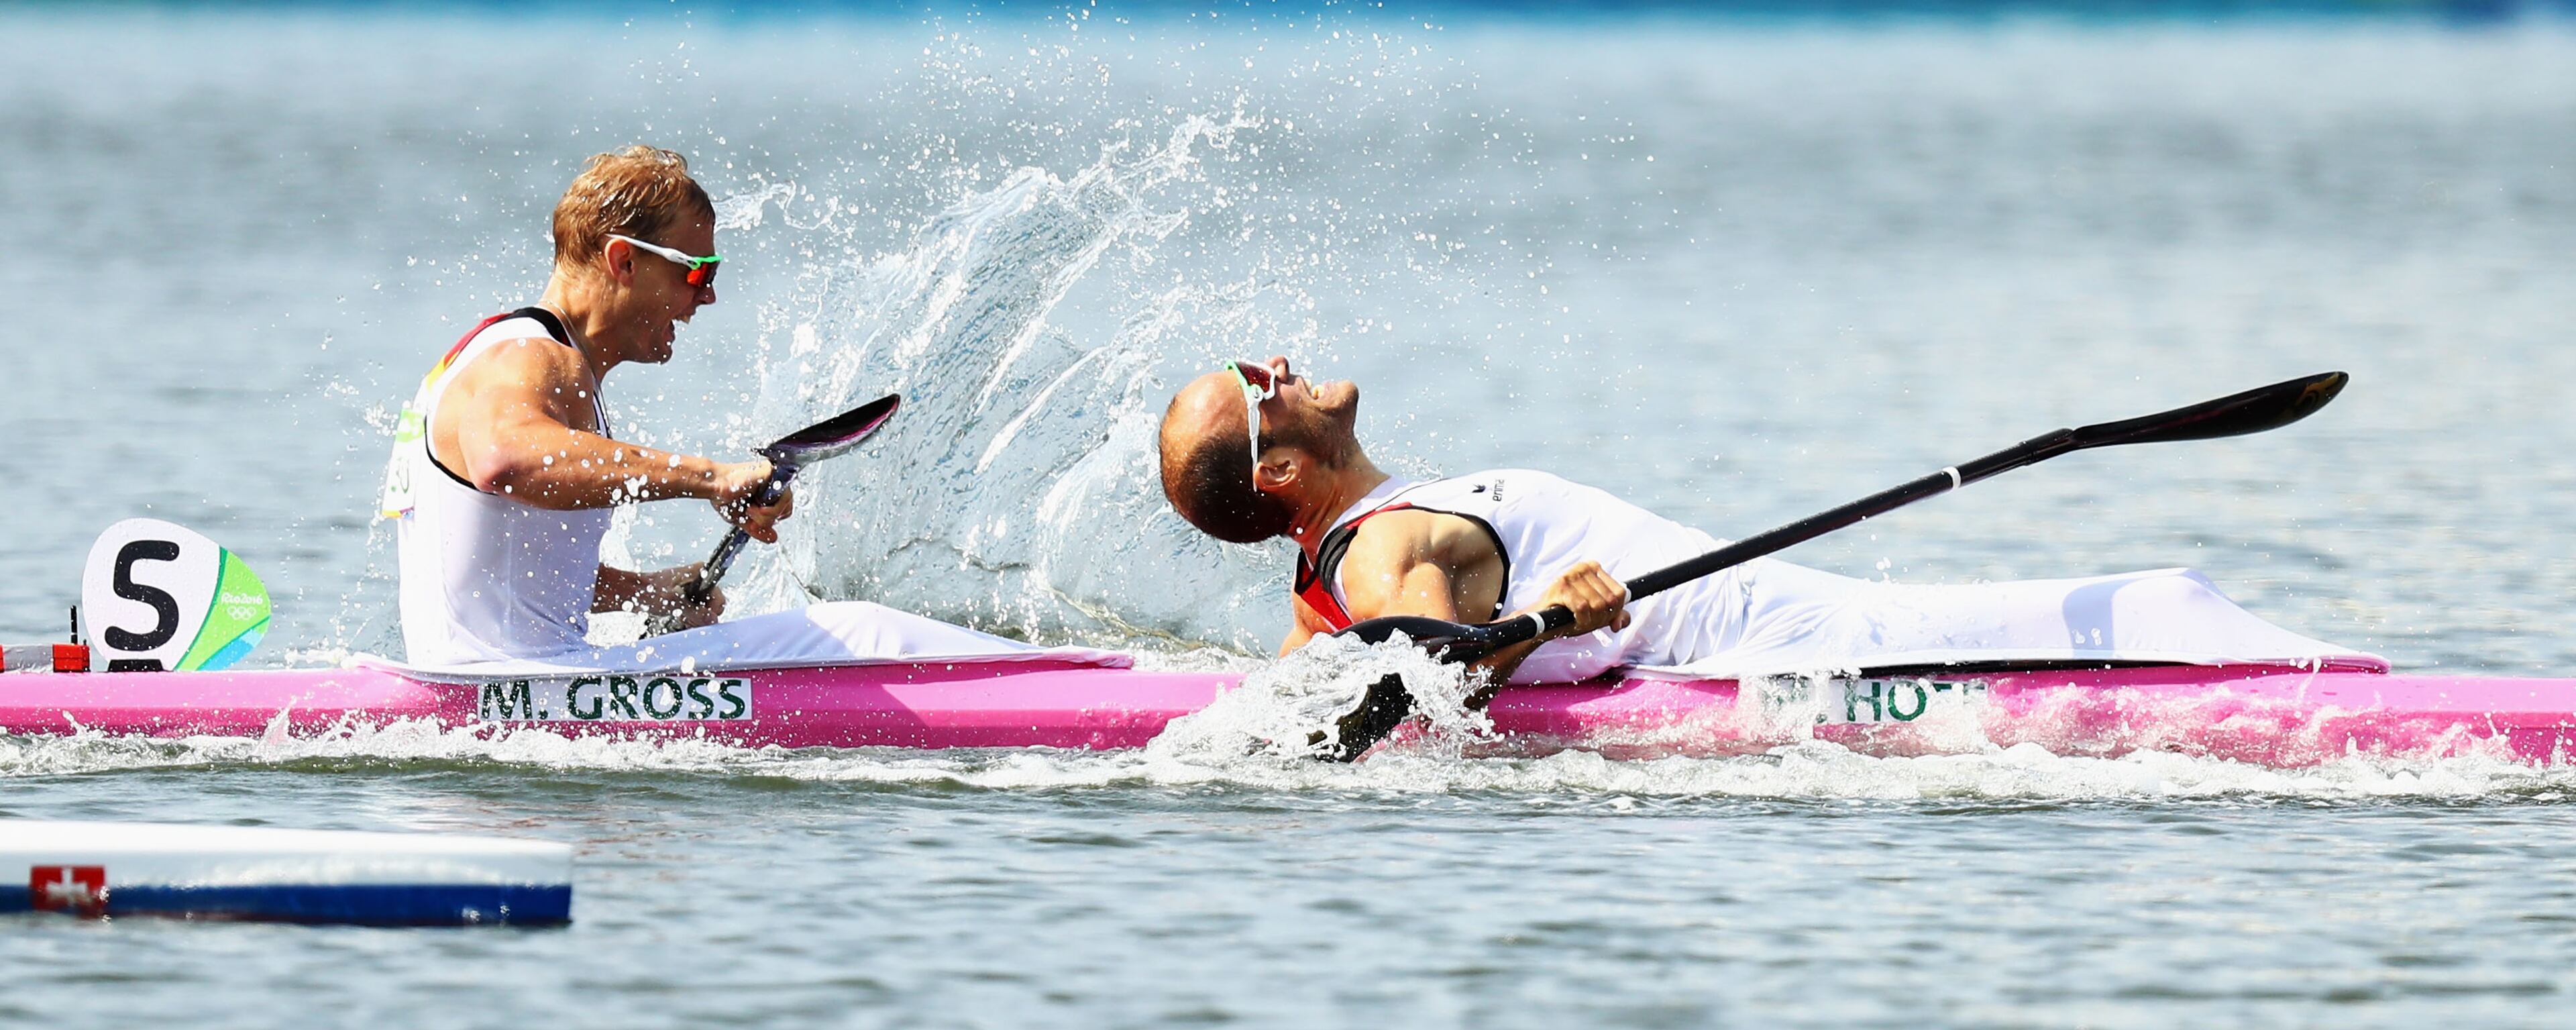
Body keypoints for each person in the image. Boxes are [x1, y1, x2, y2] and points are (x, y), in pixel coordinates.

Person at [1156, 356, 2367, 683]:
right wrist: (1541, 618)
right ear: (1277, 473)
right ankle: (2330, 682)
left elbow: (1331, 685)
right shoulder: (1393, 550)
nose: (1277, 365)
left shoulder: (1334, 570)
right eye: (1258, 389)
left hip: (1776, 627)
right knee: (2155, 606)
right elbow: (1430, 667)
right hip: (1796, 652)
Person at [383, 146, 1112, 677]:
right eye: (697, 271)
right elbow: (506, 462)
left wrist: (641, 595)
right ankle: (1111, 687)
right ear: (624, 263)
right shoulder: (535, 360)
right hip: (514, 688)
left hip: (502, 681)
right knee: (862, 632)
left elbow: (495, 568)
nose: (708, 297)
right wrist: (710, 478)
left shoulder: (493, 359)